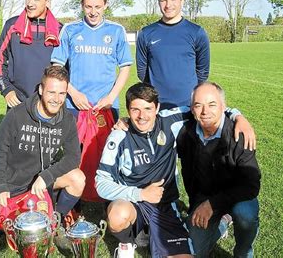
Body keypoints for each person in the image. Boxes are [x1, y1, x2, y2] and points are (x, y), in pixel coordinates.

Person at [96, 83, 254, 258]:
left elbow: (206, 107)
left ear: (157, 108)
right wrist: (139, 194)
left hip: (165, 206)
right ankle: (126, 244)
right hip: (133, 203)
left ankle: (221, 223)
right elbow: (101, 183)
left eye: (148, 108)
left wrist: (238, 116)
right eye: (135, 110)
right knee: (118, 214)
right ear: (128, 110)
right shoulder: (119, 135)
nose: (142, 116)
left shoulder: (171, 121)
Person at [0, 65, 85, 227]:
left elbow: (73, 157)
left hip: (42, 182)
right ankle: (3, 209)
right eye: (51, 92)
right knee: (9, 230)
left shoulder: (67, 120)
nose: (57, 99)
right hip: (14, 184)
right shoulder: (17, 115)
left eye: (62, 93)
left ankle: (57, 218)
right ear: (41, 90)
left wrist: (46, 176)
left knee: (78, 178)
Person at [177, 82, 261, 257]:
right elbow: (152, 124)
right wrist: (126, 124)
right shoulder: (185, 133)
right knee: (193, 252)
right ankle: (223, 223)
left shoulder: (240, 134)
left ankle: (243, 252)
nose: (205, 111)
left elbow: (251, 186)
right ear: (192, 109)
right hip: (203, 198)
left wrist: (213, 204)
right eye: (198, 105)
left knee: (245, 214)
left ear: (224, 107)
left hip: (238, 197)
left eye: (212, 104)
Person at [51, 0, 132, 118]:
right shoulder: (69, 29)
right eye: (88, 7)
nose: (93, 12)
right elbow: (57, 67)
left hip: (106, 105)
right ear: (82, 5)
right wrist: (73, 94)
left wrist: (111, 97)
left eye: (98, 7)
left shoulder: (117, 30)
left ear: (105, 5)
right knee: (73, 140)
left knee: (107, 140)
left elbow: (125, 68)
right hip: (74, 105)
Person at [136, 0, 209, 110]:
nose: (168, 5)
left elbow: (202, 71)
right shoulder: (146, 33)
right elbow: (142, 71)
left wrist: (191, 95)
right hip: (156, 107)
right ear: (158, 1)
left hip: (188, 107)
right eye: (163, 0)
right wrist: (153, 94)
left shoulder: (197, 32)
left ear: (182, 0)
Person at [0, 0, 61, 108]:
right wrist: (6, 90)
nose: (30, 3)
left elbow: (66, 71)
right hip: (18, 103)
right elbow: (0, 61)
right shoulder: (11, 26)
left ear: (47, 2)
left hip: (49, 105)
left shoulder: (60, 30)